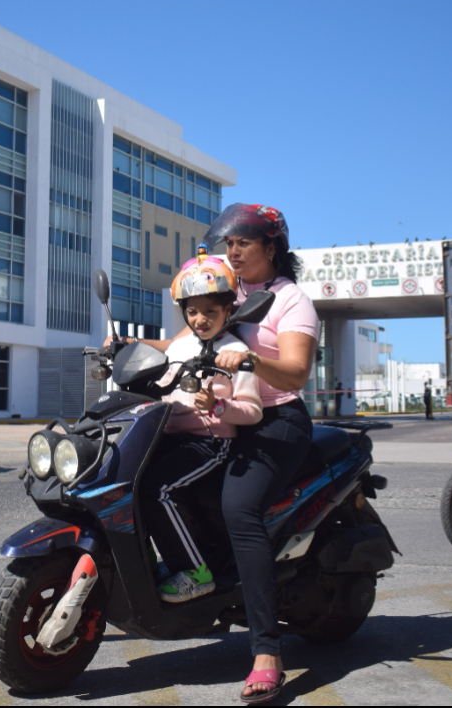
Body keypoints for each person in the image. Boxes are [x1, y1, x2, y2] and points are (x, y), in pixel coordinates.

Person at [111, 204, 318, 703]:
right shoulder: (226, 293)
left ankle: (266, 650)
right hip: (220, 416)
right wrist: (124, 346)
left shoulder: (292, 302)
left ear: (272, 248)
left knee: (238, 508)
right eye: (228, 244)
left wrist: (250, 358)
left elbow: (294, 373)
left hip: (276, 421)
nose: (233, 252)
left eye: (243, 243)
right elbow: (179, 344)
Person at [140, 251, 263, 603]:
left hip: (211, 442)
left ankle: (196, 573)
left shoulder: (235, 351)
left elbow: (252, 412)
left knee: (157, 490)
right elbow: (162, 383)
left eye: (210, 311)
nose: (200, 319)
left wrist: (218, 406)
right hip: (169, 437)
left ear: (228, 310)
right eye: (192, 311)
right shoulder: (180, 345)